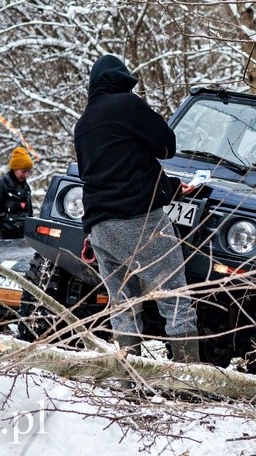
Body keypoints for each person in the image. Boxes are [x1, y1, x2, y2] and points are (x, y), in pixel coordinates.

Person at [73, 54, 199, 363]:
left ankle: (129, 382)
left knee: (123, 307)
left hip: (100, 228)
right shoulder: (128, 106)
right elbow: (166, 145)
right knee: (175, 298)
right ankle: (189, 378)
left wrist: (168, 187)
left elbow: (116, 170)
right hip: (140, 221)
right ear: (123, 83)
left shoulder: (83, 125)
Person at [0, 146, 34, 240]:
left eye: (28, 171)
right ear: (15, 168)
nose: (26, 175)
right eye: (23, 171)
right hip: (4, 238)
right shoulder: (0, 185)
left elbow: (29, 215)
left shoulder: (26, 188)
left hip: (21, 240)